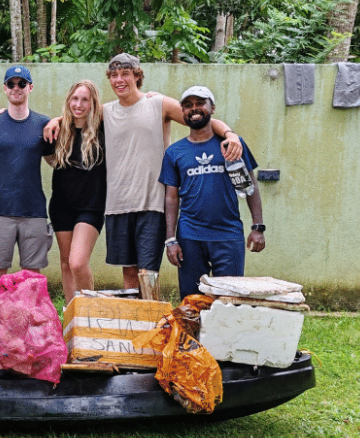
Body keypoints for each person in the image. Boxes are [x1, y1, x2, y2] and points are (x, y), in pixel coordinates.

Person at [46, 53, 245, 290]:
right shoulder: (106, 112)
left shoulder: (158, 104)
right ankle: (135, 326)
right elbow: (77, 113)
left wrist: (230, 134)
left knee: (147, 276)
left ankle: (152, 325)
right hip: (118, 205)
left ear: (137, 76)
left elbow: (199, 118)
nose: (119, 79)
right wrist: (55, 121)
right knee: (129, 278)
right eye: (114, 75)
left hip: (151, 203)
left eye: (125, 74)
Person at [160, 86, 265, 298]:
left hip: (228, 235)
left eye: (200, 103)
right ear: (183, 112)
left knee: (230, 300)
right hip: (190, 236)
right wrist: (170, 239)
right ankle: (192, 333)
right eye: (188, 105)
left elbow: (250, 187)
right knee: (192, 301)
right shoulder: (174, 153)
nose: (194, 109)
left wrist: (258, 226)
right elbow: (171, 197)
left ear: (212, 108)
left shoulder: (232, 145)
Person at [0, 65, 55, 283]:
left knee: (32, 276)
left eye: (21, 84)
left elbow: (56, 160)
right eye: (11, 83)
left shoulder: (43, 124)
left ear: (31, 88)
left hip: (34, 211)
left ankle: (31, 317)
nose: (16, 88)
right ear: (5, 89)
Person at [48, 80, 106, 305]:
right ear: (68, 100)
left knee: (77, 262)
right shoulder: (58, 130)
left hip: (91, 207)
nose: (79, 104)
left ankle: (90, 312)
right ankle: (72, 319)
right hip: (61, 205)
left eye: (85, 99)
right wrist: (58, 119)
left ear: (93, 104)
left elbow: (121, 110)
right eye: (75, 98)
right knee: (65, 262)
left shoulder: (104, 129)